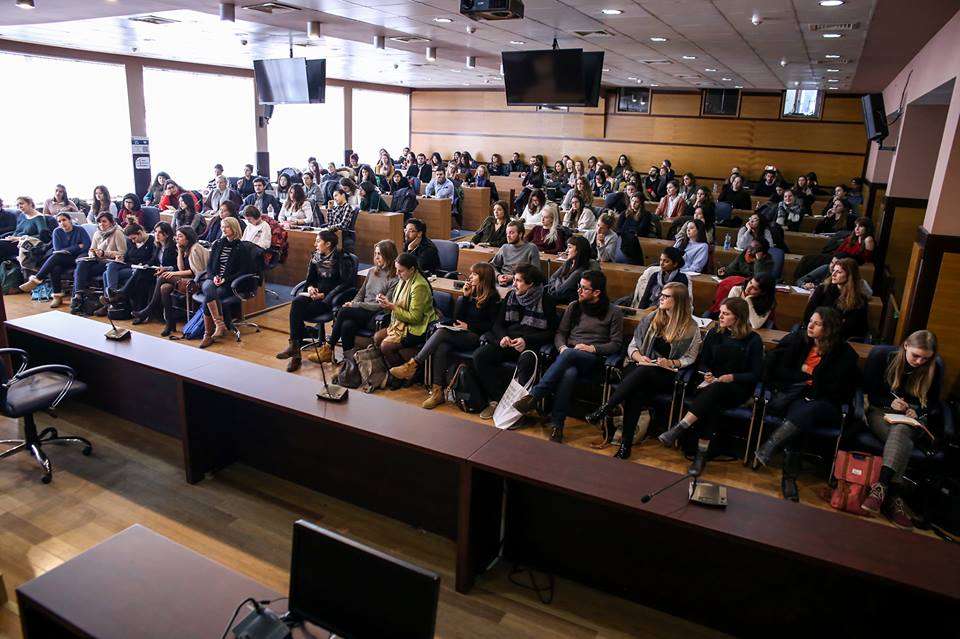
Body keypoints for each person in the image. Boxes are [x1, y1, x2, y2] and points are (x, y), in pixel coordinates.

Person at [585, 282, 701, 459]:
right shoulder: (652, 317)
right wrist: (640, 358)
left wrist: (670, 362)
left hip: (664, 373)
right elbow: (633, 346)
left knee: (642, 378)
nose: (660, 298)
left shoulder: (690, 327)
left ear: (678, 300)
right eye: (661, 294)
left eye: (666, 296)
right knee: (637, 391)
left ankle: (607, 408)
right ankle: (625, 446)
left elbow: (689, 358)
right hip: (639, 365)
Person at [754, 307, 859, 501]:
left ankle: (773, 444)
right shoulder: (799, 341)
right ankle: (788, 478)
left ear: (830, 328)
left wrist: (813, 375)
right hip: (798, 398)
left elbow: (839, 390)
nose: (810, 326)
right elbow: (778, 371)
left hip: (827, 404)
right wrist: (807, 373)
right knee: (800, 421)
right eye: (810, 321)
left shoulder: (845, 354)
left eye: (817, 324)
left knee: (808, 410)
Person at [512, 270, 623, 442]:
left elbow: (616, 344)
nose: (578, 290)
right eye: (579, 286)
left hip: (592, 359)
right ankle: (557, 426)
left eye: (584, 289)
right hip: (568, 356)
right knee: (569, 373)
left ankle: (535, 396)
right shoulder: (574, 306)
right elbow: (560, 333)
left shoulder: (613, 312)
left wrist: (592, 348)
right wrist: (562, 348)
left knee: (571, 358)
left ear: (597, 293)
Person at [657, 297, 764, 475]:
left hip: (737, 388)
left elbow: (755, 374)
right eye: (721, 312)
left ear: (738, 317)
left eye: (726, 314)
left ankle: (681, 427)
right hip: (711, 383)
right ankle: (700, 455)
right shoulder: (715, 333)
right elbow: (703, 362)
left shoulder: (753, 340)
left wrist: (732, 377)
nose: (720, 316)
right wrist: (706, 373)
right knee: (712, 403)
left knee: (715, 392)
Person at [390, 262, 502, 408]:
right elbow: (457, 317)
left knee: (441, 332)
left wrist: (470, 326)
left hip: (476, 336)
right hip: (461, 334)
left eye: (474, 274)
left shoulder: (493, 298)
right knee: (441, 346)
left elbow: (492, 326)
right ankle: (438, 392)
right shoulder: (471, 293)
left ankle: (412, 364)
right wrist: (465, 297)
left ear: (483, 278)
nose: (470, 277)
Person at [860, 331, 942, 529]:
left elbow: (932, 404)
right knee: (902, 436)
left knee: (902, 430)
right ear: (906, 346)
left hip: (910, 420)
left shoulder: (933, 369)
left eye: (925, 358)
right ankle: (893, 497)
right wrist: (890, 402)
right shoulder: (883, 358)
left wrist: (917, 410)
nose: (919, 361)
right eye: (916, 355)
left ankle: (881, 488)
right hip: (880, 412)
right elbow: (869, 390)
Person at [471, 264, 558, 419]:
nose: (514, 284)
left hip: (530, 345)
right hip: (508, 341)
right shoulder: (511, 296)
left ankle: (518, 409)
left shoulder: (546, 300)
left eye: (518, 281)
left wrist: (526, 340)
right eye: (514, 280)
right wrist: (503, 336)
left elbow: (551, 332)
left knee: (526, 361)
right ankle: (498, 399)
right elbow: (498, 324)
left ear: (530, 283)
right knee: (480, 356)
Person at [273, 230, 356, 370]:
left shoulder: (343, 259)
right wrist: (310, 288)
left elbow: (345, 284)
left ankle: (296, 352)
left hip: (330, 299)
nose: (315, 244)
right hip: (314, 295)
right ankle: (295, 347)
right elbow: (310, 279)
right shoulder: (316, 257)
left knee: (296, 314)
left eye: (318, 241)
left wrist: (325, 295)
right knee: (297, 302)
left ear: (328, 244)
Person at [308, 240, 399, 365]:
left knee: (344, 311)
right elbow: (361, 293)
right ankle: (349, 364)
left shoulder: (395, 278)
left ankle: (328, 348)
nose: (376, 257)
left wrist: (355, 305)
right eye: (375, 253)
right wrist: (353, 302)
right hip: (361, 312)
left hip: (376, 315)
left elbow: (383, 306)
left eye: (380, 254)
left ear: (388, 255)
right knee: (347, 325)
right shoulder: (372, 271)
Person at [132, 226, 209, 335]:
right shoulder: (185, 248)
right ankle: (170, 324)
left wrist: (173, 273)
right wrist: (180, 252)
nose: (177, 239)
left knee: (163, 276)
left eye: (180, 236)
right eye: (176, 236)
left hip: (197, 282)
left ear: (188, 238)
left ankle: (149, 309)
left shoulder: (195, 248)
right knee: (164, 288)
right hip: (188, 279)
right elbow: (182, 268)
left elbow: (196, 272)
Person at [373, 252, 439, 370]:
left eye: (400, 270)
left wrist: (391, 307)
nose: (397, 273)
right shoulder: (404, 278)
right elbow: (399, 303)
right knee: (377, 337)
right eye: (396, 269)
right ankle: (392, 369)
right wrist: (386, 301)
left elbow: (415, 318)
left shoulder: (419, 286)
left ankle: (405, 374)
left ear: (412, 269)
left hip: (418, 328)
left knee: (386, 346)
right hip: (402, 323)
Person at [198, 217, 256, 349]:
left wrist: (225, 279)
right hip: (213, 280)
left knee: (209, 296)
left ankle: (208, 334)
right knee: (209, 288)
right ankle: (219, 325)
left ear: (234, 228)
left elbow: (244, 270)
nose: (223, 229)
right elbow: (210, 266)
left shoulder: (241, 247)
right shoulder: (218, 244)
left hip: (230, 283)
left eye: (226, 227)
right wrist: (213, 277)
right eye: (222, 227)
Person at [19, 212, 87, 307]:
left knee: (56, 257)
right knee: (55, 267)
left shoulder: (80, 230)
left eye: (64, 220)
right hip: (63, 259)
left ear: (70, 220)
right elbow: (58, 249)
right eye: (59, 221)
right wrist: (76, 247)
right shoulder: (57, 231)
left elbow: (86, 246)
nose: (62, 223)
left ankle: (37, 279)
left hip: (78, 259)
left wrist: (68, 250)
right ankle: (57, 296)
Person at [108, 221, 178, 312]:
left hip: (167, 272)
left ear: (167, 234)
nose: (157, 234)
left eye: (160, 232)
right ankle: (134, 308)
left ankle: (122, 293)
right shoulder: (158, 245)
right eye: (155, 231)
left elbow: (176, 266)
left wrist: (166, 268)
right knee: (139, 273)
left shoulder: (173, 247)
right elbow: (153, 260)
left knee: (140, 274)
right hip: (157, 270)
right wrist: (146, 265)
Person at [70, 212, 127, 313]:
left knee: (80, 272)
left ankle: (78, 299)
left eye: (104, 221)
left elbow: (122, 252)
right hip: (97, 260)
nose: (101, 224)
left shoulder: (117, 232)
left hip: (111, 262)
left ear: (111, 222)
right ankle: (78, 295)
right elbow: (91, 249)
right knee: (81, 264)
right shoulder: (97, 233)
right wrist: (93, 253)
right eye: (99, 222)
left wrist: (104, 253)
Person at [803, 257, 868, 339]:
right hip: (817, 334)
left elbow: (854, 327)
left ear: (849, 276)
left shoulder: (859, 299)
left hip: (841, 339)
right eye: (833, 270)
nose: (833, 274)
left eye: (839, 272)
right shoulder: (822, 290)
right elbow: (808, 315)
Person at [795, 216, 875, 283]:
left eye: (860, 226)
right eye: (856, 226)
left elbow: (866, 259)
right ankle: (799, 280)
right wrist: (834, 257)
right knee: (807, 258)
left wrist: (837, 258)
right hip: (836, 257)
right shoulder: (852, 237)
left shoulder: (868, 239)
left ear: (867, 228)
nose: (856, 229)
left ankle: (801, 281)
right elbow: (839, 250)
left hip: (847, 261)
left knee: (811, 261)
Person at [99, 223, 155, 313]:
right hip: (130, 265)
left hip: (140, 268)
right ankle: (112, 297)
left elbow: (153, 259)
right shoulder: (130, 242)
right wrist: (121, 258)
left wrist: (144, 264)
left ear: (140, 233)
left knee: (106, 274)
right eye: (131, 239)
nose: (133, 241)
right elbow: (128, 256)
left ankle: (110, 303)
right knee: (111, 265)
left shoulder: (152, 241)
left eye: (134, 238)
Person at [620, 246, 692, 309]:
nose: (661, 263)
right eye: (661, 260)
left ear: (675, 264)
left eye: (666, 261)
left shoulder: (682, 279)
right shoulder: (655, 275)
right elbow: (645, 297)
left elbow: (677, 303)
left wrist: (654, 309)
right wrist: (640, 312)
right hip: (648, 310)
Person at [492, 220, 540, 286]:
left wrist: (513, 278)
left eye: (511, 233)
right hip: (502, 280)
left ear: (520, 234)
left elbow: (535, 273)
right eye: (507, 233)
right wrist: (498, 276)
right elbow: (492, 265)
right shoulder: (504, 247)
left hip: (520, 283)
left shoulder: (531, 248)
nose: (508, 236)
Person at [547, 235, 592, 303]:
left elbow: (560, 290)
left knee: (546, 297)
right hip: (558, 294)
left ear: (579, 250)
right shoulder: (568, 263)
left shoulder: (580, 271)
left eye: (570, 247)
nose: (566, 251)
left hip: (568, 298)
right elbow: (552, 278)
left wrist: (559, 278)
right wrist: (559, 280)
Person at [0, 196, 47, 261]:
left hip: (25, 245)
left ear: (30, 203)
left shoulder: (39, 218)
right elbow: (17, 230)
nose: (19, 206)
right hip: (14, 241)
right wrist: (11, 237)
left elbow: (43, 236)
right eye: (18, 205)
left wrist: (19, 238)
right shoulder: (22, 215)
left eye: (21, 203)